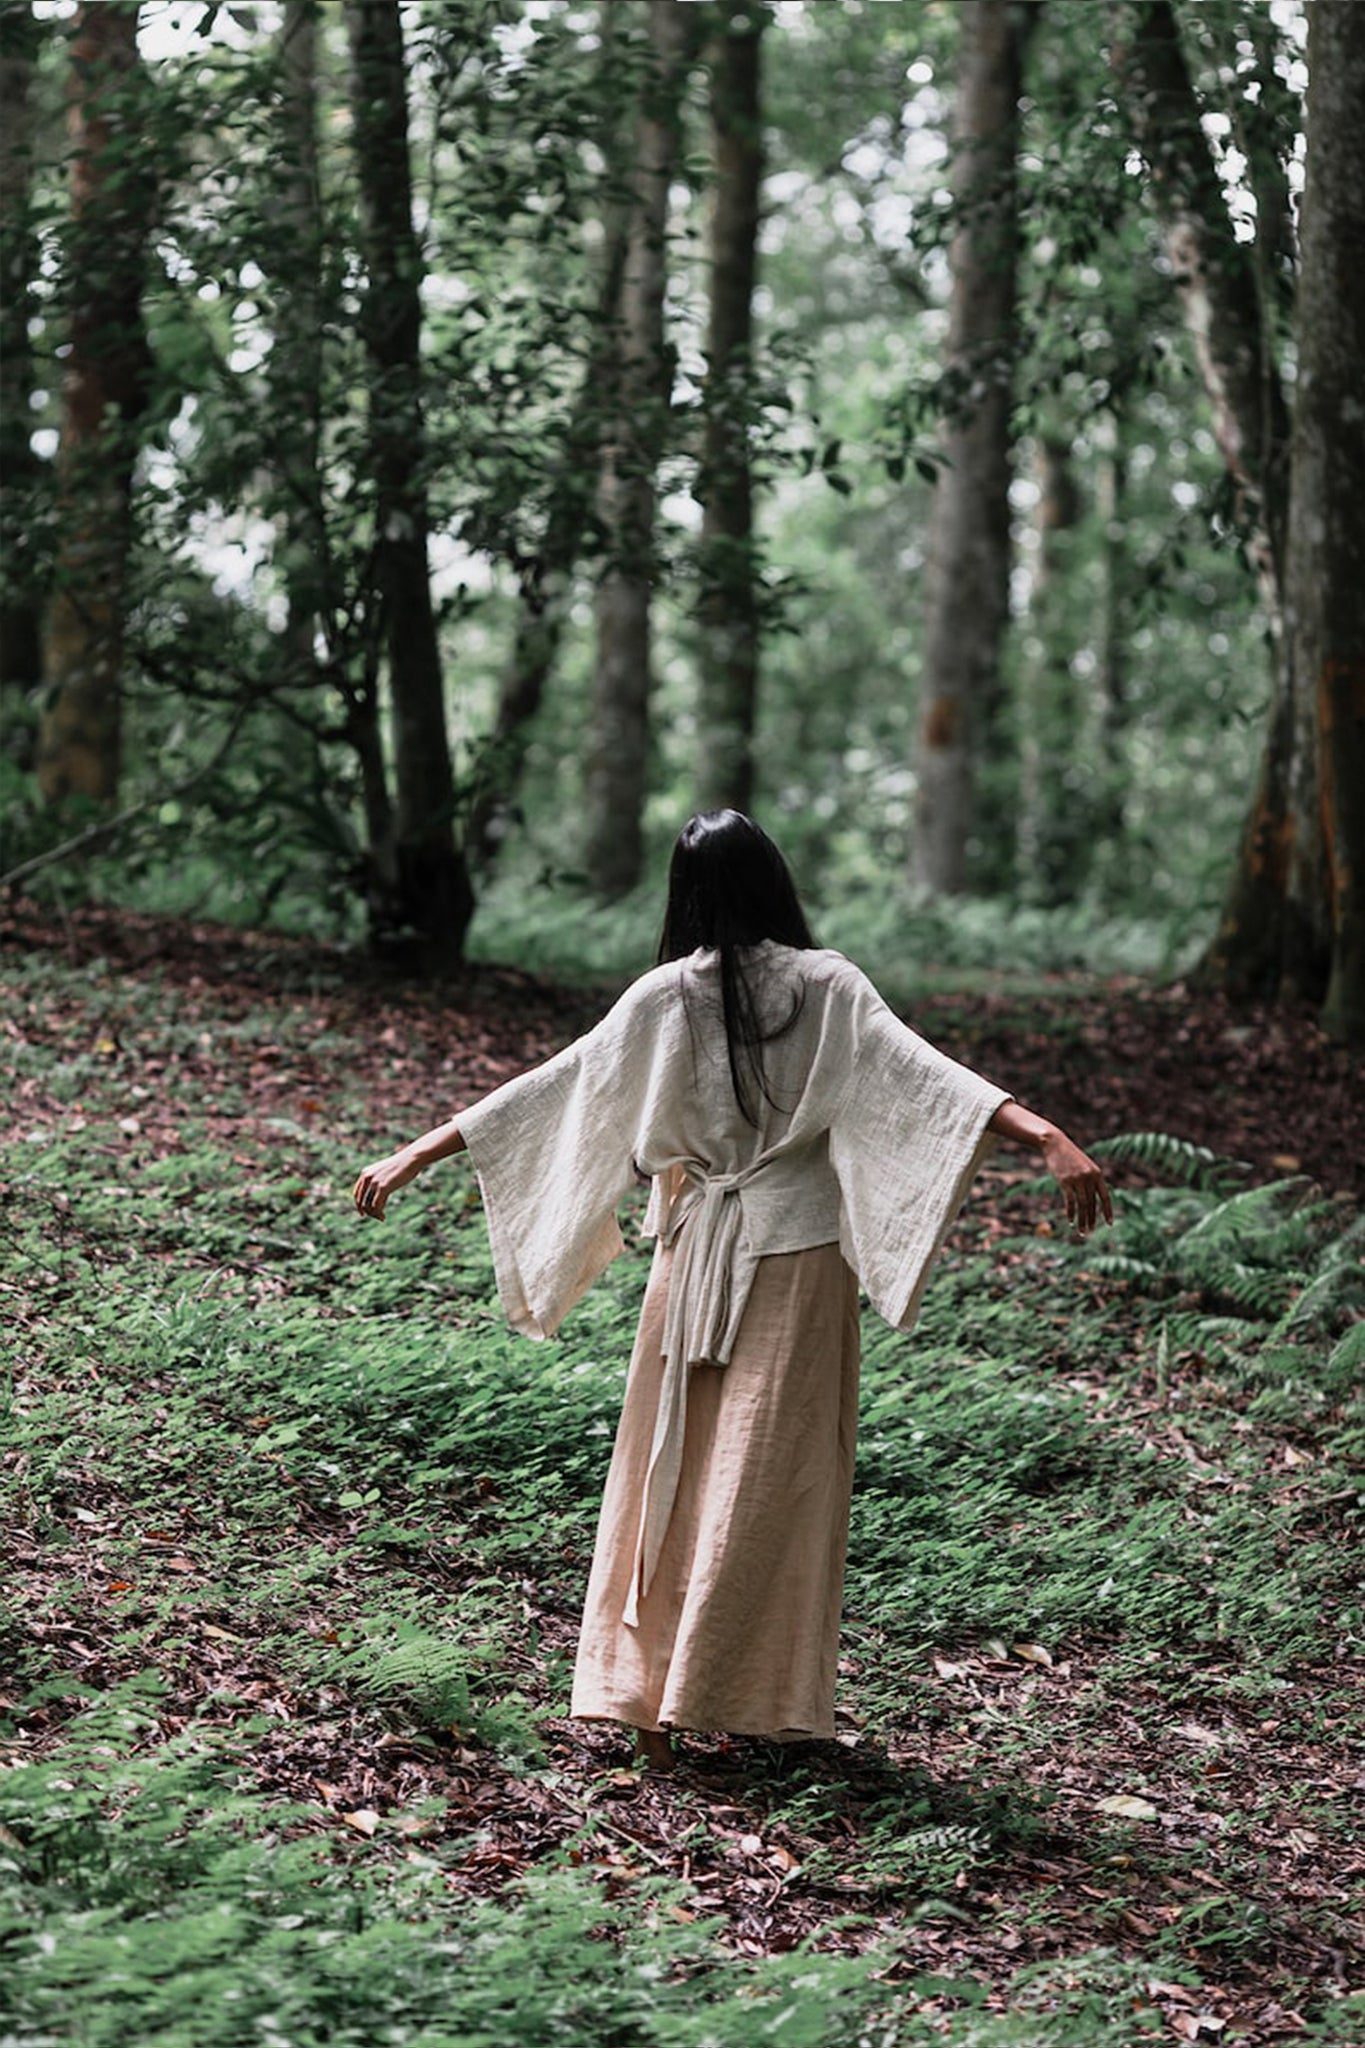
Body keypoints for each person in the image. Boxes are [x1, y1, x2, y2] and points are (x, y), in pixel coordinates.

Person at [353, 811, 1112, 1770]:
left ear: (685, 893)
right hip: (784, 1257)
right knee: (769, 1476)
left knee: (673, 1466)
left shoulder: (672, 993)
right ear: (770, 881)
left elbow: (554, 1087)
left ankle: (654, 1696)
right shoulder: (813, 985)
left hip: (708, 1248)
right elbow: (934, 1085)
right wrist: (1045, 1134)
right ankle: (716, 1692)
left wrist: (417, 1149)